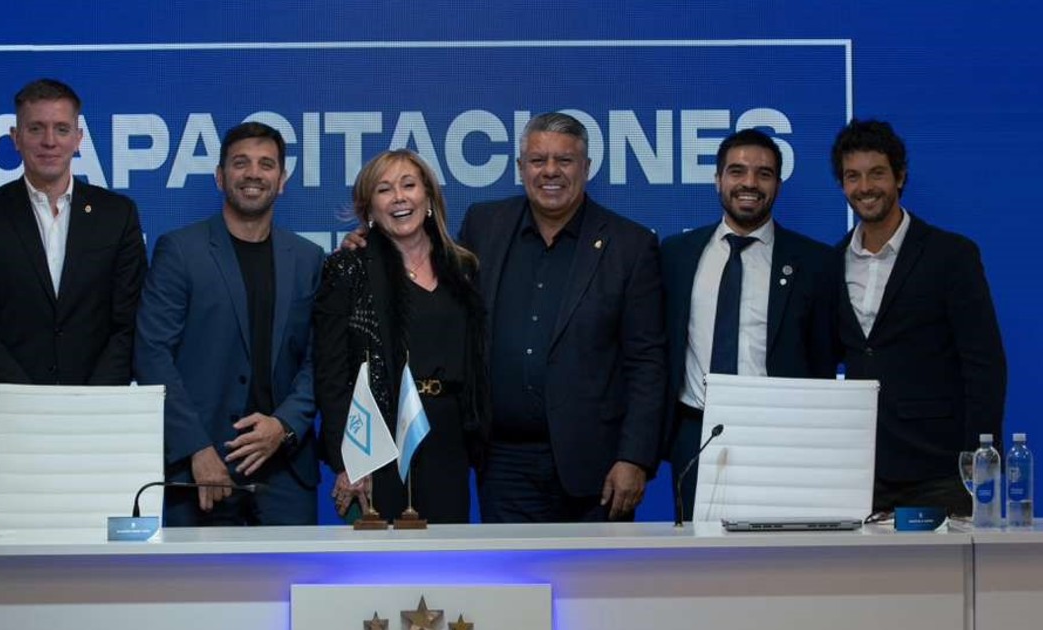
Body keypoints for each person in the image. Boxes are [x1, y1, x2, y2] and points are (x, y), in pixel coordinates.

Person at [458, 112, 667, 522]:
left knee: (599, 568)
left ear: (586, 168)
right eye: (538, 160)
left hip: (597, 467)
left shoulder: (631, 245)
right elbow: (431, 281)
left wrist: (635, 457)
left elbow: (648, 362)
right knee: (508, 566)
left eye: (564, 160)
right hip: (503, 464)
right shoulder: (483, 225)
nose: (550, 171)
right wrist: (370, 245)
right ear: (521, 168)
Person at [134, 122, 323, 526]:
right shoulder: (180, 251)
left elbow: (320, 357)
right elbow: (152, 355)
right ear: (220, 177)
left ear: (282, 180)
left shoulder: (309, 259)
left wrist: (284, 424)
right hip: (202, 468)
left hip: (286, 471)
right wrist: (195, 447)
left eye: (266, 164)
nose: (253, 173)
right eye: (241, 163)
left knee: (294, 570)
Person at [0, 78, 147, 459]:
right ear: (15, 138)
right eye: (36, 128)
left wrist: (86, 406)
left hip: (99, 422)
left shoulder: (117, 215)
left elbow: (130, 323)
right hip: (10, 421)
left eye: (61, 129)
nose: (49, 141)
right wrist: (32, 405)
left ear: (79, 138)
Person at [659, 129, 838, 521]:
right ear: (718, 179)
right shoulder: (675, 255)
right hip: (696, 434)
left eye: (764, 173)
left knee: (778, 549)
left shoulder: (815, 263)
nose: (750, 183)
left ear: (778, 184)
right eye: (737, 171)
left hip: (781, 436)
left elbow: (822, 361)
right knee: (697, 550)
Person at [830, 119, 1006, 515]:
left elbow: (985, 364)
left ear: (900, 176)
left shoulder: (951, 255)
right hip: (862, 471)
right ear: (842, 185)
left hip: (942, 469)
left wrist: (980, 461)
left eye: (877, 173)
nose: (865, 187)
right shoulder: (832, 262)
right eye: (853, 176)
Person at [314, 149, 489, 523]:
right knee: (380, 556)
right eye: (384, 190)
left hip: (449, 436)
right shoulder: (348, 268)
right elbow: (331, 375)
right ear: (369, 209)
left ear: (428, 197)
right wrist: (349, 461)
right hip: (378, 439)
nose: (399, 198)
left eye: (408, 185)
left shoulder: (464, 267)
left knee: (449, 553)